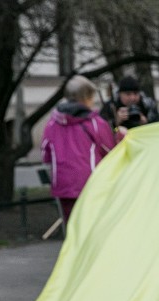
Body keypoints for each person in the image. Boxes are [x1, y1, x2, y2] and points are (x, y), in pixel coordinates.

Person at [41, 75, 121, 224]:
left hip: (63, 185)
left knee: (72, 229)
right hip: (90, 184)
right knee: (92, 227)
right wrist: (118, 134)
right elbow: (110, 151)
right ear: (86, 98)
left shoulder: (52, 123)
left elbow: (45, 153)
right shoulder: (95, 123)